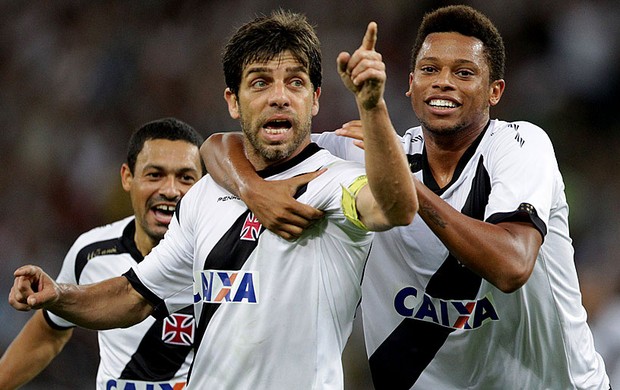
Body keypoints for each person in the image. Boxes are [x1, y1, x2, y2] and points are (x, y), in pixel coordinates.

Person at [199, 5, 610, 390]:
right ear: (411, 85)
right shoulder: (369, 154)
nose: (443, 81)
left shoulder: (520, 147)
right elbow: (223, 145)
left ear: (495, 91)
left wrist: (405, 184)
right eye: (430, 69)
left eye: (465, 73)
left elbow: (511, 265)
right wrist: (251, 188)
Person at [8, 9, 417, 390]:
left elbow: (395, 207)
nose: (279, 96)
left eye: (295, 82)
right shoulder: (205, 193)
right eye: (260, 82)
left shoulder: (334, 180)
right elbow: (133, 295)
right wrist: (59, 295)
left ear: (315, 99)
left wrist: (371, 105)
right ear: (232, 102)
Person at [0, 117, 204, 390]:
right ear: (127, 178)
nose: (170, 190)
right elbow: (50, 332)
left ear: (204, 187)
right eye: (155, 174)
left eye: (185, 178)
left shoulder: (224, 257)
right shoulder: (92, 253)